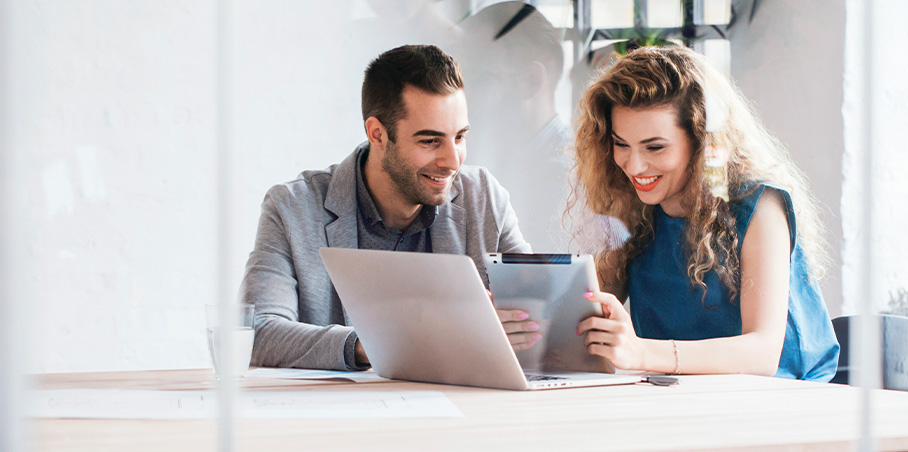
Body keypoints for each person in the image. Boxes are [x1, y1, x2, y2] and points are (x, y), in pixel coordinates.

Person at [240, 45, 539, 372]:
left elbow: (535, 307)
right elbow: (257, 333)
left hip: (461, 412)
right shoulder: (291, 209)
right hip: (342, 418)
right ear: (378, 134)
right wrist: (385, 342)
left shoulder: (483, 197)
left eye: (460, 137)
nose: (453, 161)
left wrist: (590, 325)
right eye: (430, 141)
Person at [571, 46, 839, 381]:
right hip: (681, 398)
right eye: (621, 144)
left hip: (786, 400)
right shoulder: (631, 206)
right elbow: (585, 313)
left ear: (701, 141)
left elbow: (762, 354)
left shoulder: (761, 205)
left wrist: (641, 352)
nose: (634, 166)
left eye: (655, 147)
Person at [456, 2, 574, 252]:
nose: (458, 94)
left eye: (477, 78)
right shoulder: (490, 159)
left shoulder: (568, 182)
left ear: (530, 81)